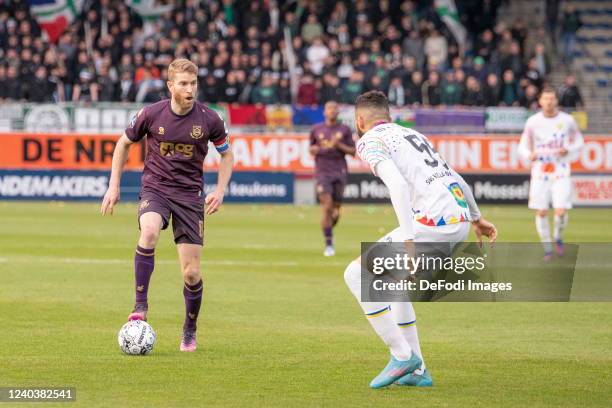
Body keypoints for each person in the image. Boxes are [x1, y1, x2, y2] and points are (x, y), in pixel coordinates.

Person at [344, 91, 497, 388]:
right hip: (457, 220)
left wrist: (410, 242)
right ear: (388, 116)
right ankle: (418, 371)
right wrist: (476, 218)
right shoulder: (412, 134)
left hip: (433, 222)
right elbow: (456, 177)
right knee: (396, 288)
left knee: (356, 274)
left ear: (360, 121)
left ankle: (402, 356)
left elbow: (398, 187)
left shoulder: (369, 141)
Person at [100, 59, 234, 351]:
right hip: (156, 189)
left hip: (189, 196)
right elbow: (123, 144)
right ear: (171, 86)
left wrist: (220, 190)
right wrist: (113, 185)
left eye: (193, 83)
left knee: (191, 273)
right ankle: (140, 305)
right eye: (183, 84)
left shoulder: (209, 120)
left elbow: (227, 155)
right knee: (148, 232)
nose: (190, 89)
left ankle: (189, 328)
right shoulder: (151, 113)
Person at [518, 87, 583, 260]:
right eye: (545, 98)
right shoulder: (533, 122)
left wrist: (567, 149)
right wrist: (528, 154)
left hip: (561, 170)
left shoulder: (567, 120)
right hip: (540, 172)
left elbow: (578, 141)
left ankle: (558, 237)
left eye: (552, 98)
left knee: (560, 211)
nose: (549, 102)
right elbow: (523, 145)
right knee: (541, 212)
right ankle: (548, 248)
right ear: (540, 101)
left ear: (556, 101)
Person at [309, 101, 355, 256]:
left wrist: (338, 145)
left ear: (338, 112)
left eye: (335, 108)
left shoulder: (345, 130)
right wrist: (314, 149)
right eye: (329, 108)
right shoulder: (316, 129)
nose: (332, 111)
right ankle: (328, 244)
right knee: (327, 206)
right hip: (322, 172)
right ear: (325, 111)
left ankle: (329, 228)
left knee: (335, 211)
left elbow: (353, 151)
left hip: (339, 171)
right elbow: (312, 148)